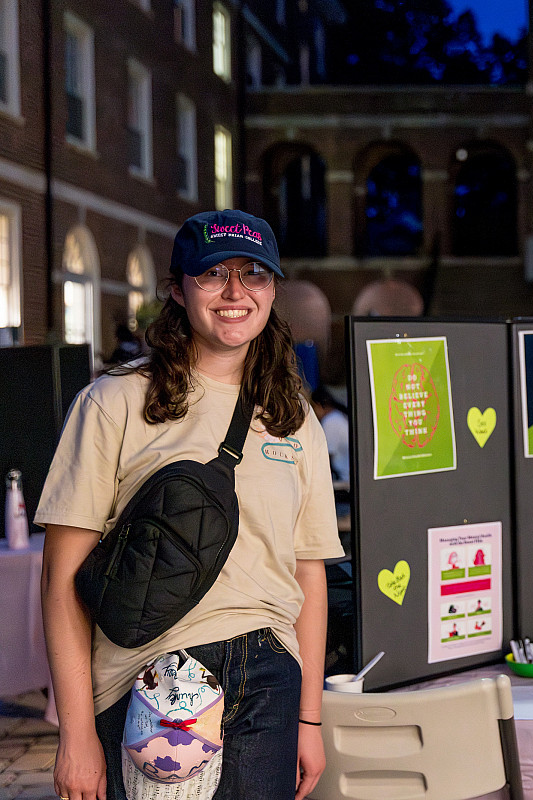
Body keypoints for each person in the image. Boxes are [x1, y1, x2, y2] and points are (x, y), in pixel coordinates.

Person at [37, 210, 344, 800]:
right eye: (213, 274)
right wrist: (75, 734)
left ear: (272, 289)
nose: (236, 292)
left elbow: (308, 572)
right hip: (150, 681)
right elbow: (61, 579)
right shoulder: (115, 402)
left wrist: (309, 719)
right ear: (178, 290)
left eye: (254, 273)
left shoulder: (292, 417)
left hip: (268, 677)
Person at [310, 385, 351, 483]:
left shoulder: (330, 421)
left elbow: (325, 457)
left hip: (343, 477)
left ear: (318, 405)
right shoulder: (337, 416)